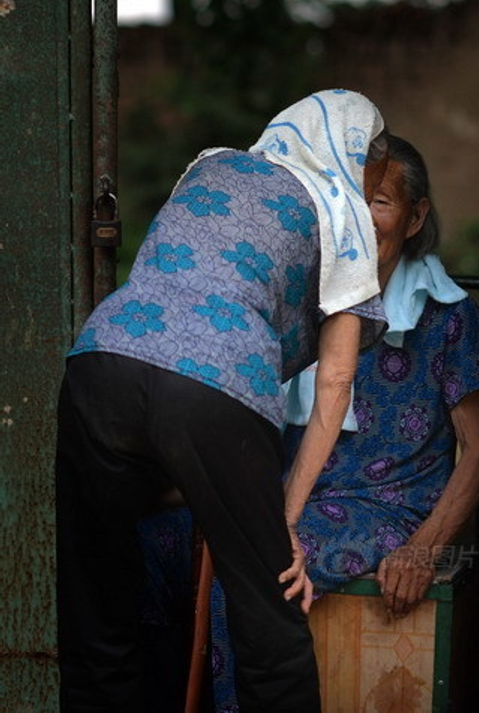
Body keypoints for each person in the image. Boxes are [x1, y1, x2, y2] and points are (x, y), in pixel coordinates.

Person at [55, 89, 390, 713]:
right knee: (270, 611)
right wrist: (283, 522)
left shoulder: (213, 163)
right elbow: (335, 385)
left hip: (101, 360)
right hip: (215, 382)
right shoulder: (344, 214)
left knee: (96, 608)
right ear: (355, 154)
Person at [208, 134, 479, 711]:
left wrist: (424, 549)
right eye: (351, 198)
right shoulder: (305, 294)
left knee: (247, 582)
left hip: (387, 509)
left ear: (415, 217)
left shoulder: (447, 316)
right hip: (293, 499)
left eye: (381, 202)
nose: (362, 218)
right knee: (155, 546)